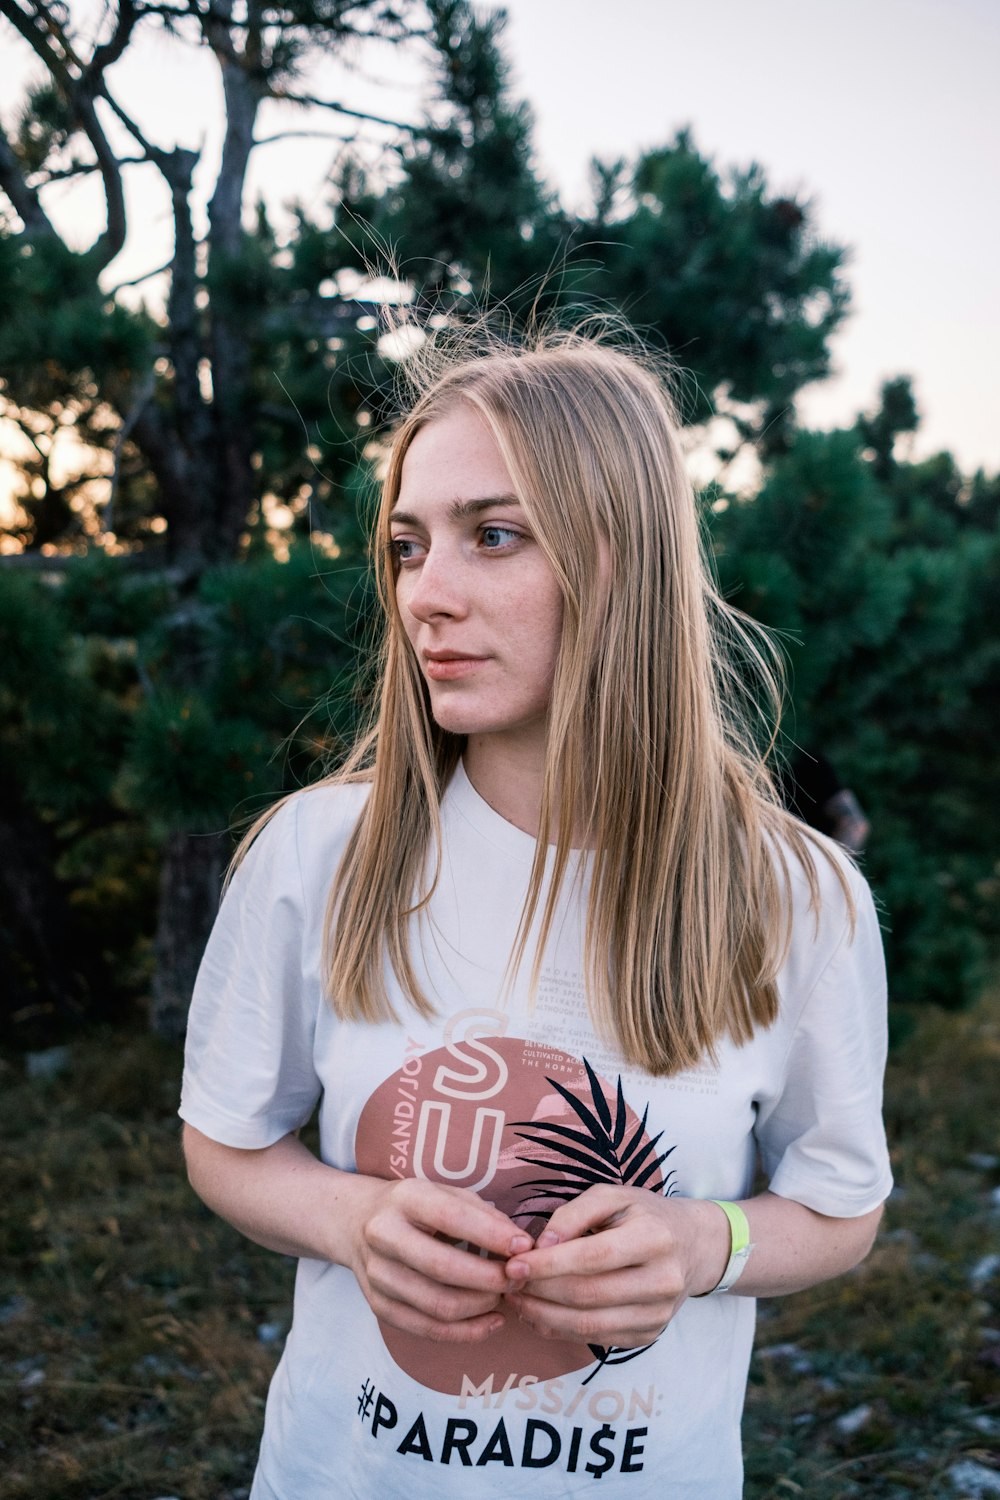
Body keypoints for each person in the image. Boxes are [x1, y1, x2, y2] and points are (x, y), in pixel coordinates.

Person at [179, 329, 892, 1499]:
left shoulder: (798, 897)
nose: (426, 595)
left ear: (622, 561)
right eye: (407, 546)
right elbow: (224, 1140)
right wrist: (351, 1219)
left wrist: (709, 1244)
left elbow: (838, 1204)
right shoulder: (318, 854)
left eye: (491, 535)